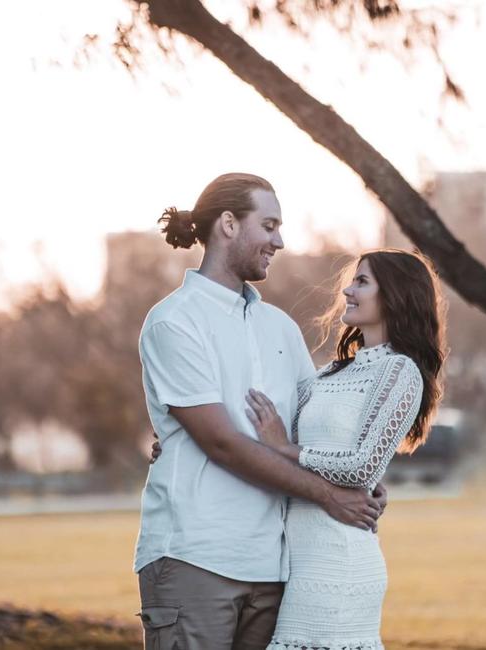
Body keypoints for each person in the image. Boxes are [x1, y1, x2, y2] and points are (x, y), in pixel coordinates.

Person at [135, 172, 387, 650]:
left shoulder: (281, 328)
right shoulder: (174, 320)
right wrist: (330, 495)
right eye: (268, 226)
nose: (280, 241)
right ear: (228, 224)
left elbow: (311, 428)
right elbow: (222, 443)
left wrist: (361, 475)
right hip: (195, 556)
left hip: (276, 565)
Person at [243, 249, 447, 650]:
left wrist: (288, 450)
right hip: (298, 560)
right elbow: (270, 423)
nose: (347, 291)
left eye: (362, 282)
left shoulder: (400, 371)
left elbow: (361, 469)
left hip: (340, 561)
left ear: (395, 295)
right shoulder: (332, 371)